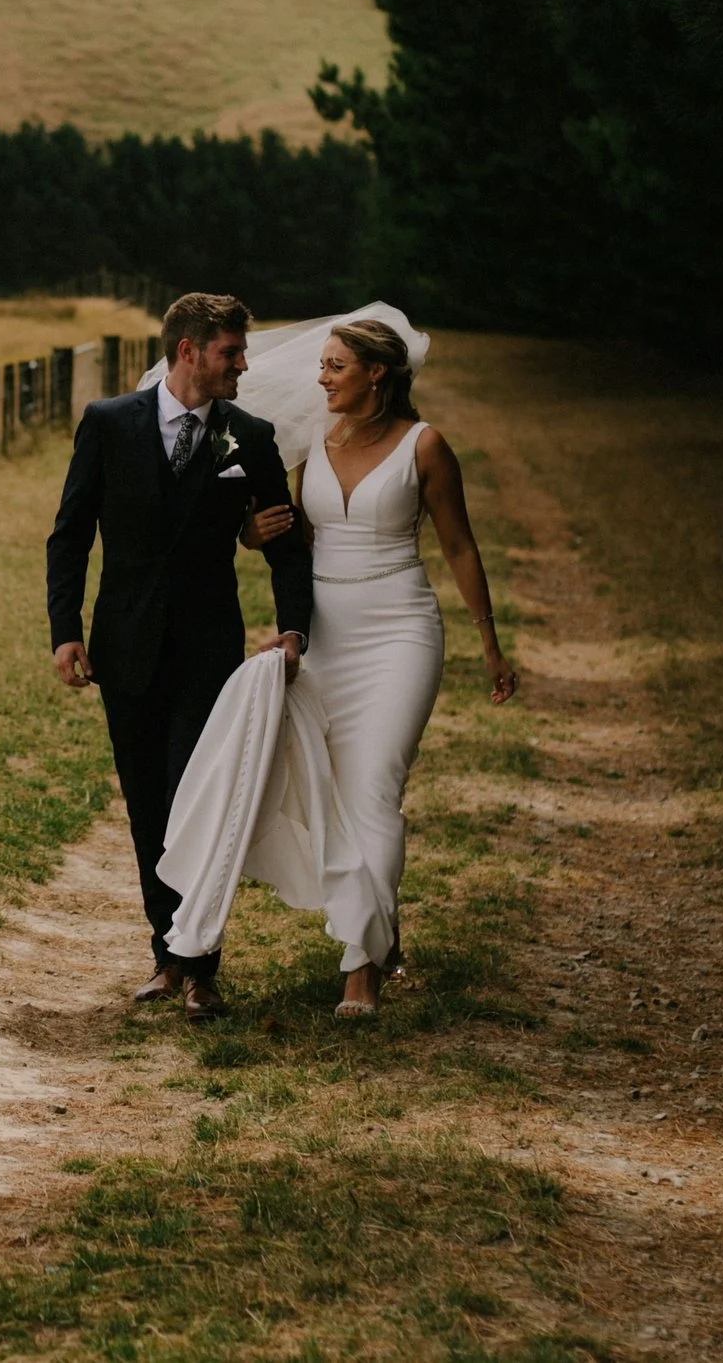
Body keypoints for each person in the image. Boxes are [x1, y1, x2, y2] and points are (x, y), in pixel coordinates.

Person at [158, 314, 518, 1017]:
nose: (319, 378)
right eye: (321, 364)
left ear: (376, 373)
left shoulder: (426, 446)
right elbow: (289, 537)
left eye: (335, 366)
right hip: (327, 631)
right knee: (334, 791)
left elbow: (462, 547)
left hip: (400, 630)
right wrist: (249, 536)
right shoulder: (307, 444)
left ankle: (361, 968)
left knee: (374, 789)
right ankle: (378, 927)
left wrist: (490, 640)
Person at [45, 293, 313, 1021]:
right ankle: (166, 952)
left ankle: (201, 967)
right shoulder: (108, 425)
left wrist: (293, 631)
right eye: (232, 352)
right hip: (123, 649)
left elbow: (286, 547)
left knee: (199, 803)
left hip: (207, 652)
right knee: (148, 807)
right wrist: (64, 629)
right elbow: (70, 534)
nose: (244, 365)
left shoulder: (250, 437)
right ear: (190, 350)